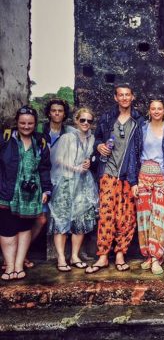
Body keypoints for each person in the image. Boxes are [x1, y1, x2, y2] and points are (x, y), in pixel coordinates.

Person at [86, 84, 144, 273]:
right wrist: (99, 146)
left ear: (132, 97)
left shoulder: (139, 121)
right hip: (108, 172)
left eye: (128, 94)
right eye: (121, 95)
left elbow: (141, 149)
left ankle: (120, 254)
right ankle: (103, 256)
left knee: (126, 217)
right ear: (116, 98)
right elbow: (96, 139)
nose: (125, 98)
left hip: (129, 174)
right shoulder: (107, 118)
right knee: (106, 215)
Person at [0, 106, 52, 280]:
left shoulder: (40, 141)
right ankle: (9, 267)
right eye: (22, 123)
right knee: (8, 230)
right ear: (17, 122)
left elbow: (44, 168)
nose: (26, 126)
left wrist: (46, 189)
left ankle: (18, 265)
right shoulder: (6, 138)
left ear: (35, 124)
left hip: (30, 194)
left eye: (30, 123)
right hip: (7, 192)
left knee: (24, 229)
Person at [48, 108, 98, 272]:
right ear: (76, 121)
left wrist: (88, 164)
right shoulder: (67, 137)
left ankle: (75, 255)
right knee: (61, 218)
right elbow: (58, 159)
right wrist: (75, 168)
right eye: (82, 120)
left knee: (80, 219)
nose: (85, 123)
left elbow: (90, 159)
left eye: (89, 121)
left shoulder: (92, 139)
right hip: (66, 182)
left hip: (83, 183)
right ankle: (61, 257)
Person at [28, 99, 76, 267]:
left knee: (51, 218)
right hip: (39, 178)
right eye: (54, 110)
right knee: (34, 218)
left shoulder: (69, 132)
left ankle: (25, 254)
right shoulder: (39, 130)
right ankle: (21, 254)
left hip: (60, 180)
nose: (56, 113)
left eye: (60, 111)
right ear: (49, 112)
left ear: (64, 114)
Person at [135, 99, 164, 275]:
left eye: (159, 108)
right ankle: (147, 255)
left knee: (159, 218)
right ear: (149, 110)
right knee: (144, 218)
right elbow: (133, 153)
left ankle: (156, 258)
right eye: (153, 108)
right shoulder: (141, 129)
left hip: (162, 177)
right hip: (143, 177)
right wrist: (133, 182)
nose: (156, 111)